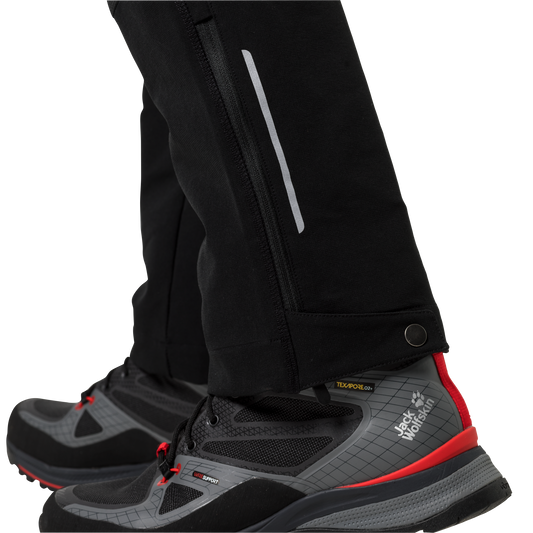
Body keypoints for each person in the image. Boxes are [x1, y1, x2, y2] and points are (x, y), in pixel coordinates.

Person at [5, 1, 514, 531]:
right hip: (213, 352)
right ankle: (189, 368)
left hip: (338, 381)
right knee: (168, 28)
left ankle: (336, 379)